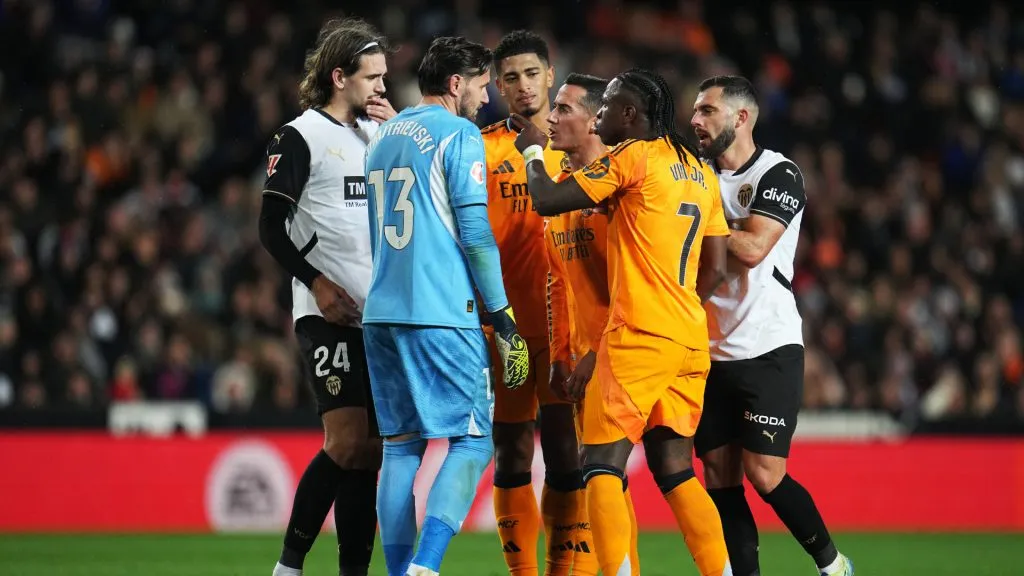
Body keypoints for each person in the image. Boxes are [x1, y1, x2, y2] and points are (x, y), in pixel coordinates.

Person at [511, 67, 733, 576]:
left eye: (607, 107)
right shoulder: (699, 170)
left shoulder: (633, 156)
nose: (601, 116)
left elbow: (544, 199)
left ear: (629, 115)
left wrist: (529, 151)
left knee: (601, 467)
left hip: (638, 335)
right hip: (688, 337)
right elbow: (717, 266)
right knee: (676, 472)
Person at [362, 36, 530, 576]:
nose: (487, 98)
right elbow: (477, 234)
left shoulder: (383, 136)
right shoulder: (459, 134)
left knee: (400, 448)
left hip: (381, 311)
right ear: (456, 84)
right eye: (482, 85)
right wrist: (501, 316)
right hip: (439, 311)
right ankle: (425, 567)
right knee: (474, 441)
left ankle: (397, 572)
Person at [691, 75, 854, 576]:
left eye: (707, 111)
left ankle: (832, 564)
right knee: (719, 478)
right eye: (695, 111)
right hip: (707, 351)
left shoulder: (779, 173)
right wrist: (723, 222)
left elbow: (753, 249)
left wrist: (693, 219)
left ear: (740, 118)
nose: (695, 120)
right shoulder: (694, 174)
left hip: (768, 347)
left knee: (764, 474)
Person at [258, 17, 396, 576]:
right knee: (344, 442)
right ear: (340, 77)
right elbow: (270, 226)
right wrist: (316, 282)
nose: (383, 88)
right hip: (326, 312)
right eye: (373, 78)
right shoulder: (299, 136)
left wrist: (396, 134)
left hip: (379, 316)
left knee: (372, 454)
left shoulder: (375, 139)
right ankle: (288, 568)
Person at [479, 30, 582, 576]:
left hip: (567, 327)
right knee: (514, 450)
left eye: (531, 74)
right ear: (497, 85)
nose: (522, 87)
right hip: (508, 330)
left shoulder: (579, 142)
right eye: (511, 77)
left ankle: (565, 569)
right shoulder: (483, 146)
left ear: (550, 74)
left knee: (568, 453)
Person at [543, 72, 640, 576]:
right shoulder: (562, 194)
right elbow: (558, 285)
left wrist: (593, 353)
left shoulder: (619, 192)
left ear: (595, 119)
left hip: (624, 353)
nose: (551, 118)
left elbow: (632, 288)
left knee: (659, 475)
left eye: (563, 109)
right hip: (582, 362)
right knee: (608, 480)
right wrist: (562, 353)